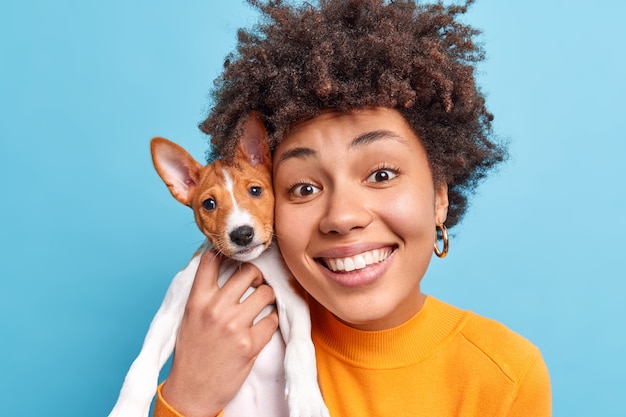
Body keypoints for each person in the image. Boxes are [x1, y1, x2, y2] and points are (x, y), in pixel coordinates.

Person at [153, 0, 551, 416]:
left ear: (439, 197)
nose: (342, 217)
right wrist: (188, 397)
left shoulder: (505, 374)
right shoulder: (232, 339)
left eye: (381, 175)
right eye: (304, 187)